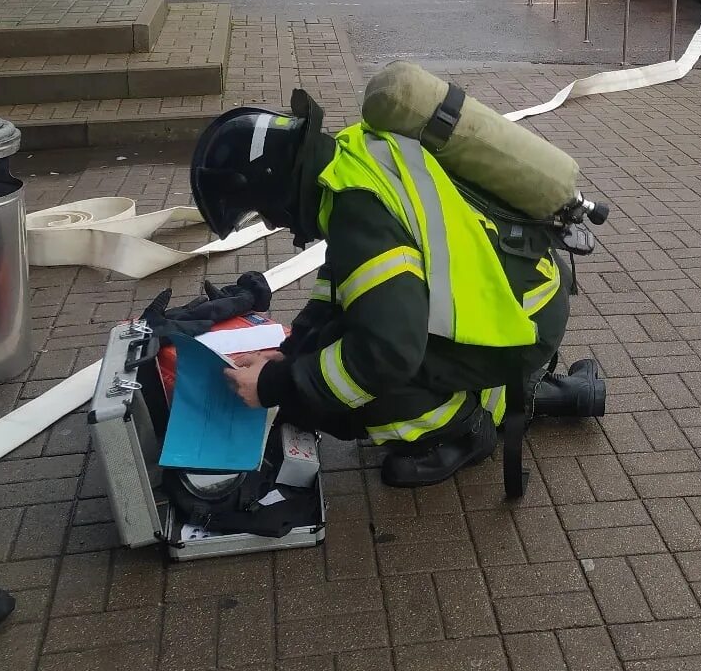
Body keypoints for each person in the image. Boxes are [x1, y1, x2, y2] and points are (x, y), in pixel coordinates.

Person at [189, 91, 604, 488]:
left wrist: (273, 387)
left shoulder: (357, 215)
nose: (269, 222)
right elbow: (339, 289)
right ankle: (551, 395)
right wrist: (293, 350)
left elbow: (386, 355)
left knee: (369, 394)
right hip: (518, 298)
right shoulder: (347, 162)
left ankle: (463, 434)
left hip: (519, 323)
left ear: (273, 188)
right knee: (340, 350)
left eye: (262, 212)